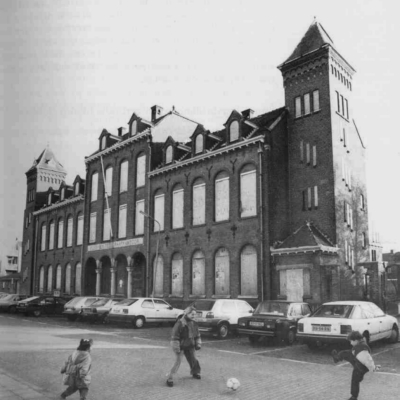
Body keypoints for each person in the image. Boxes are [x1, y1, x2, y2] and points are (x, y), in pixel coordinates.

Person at [331, 331, 380, 400]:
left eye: (351, 341)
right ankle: (337, 358)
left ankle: (354, 397)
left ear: (356, 340)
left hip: (360, 368)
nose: (350, 343)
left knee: (355, 381)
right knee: (345, 353)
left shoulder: (362, 351)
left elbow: (368, 360)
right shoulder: (359, 346)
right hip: (357, 361)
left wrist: (373, 368)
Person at [166, 305, 202, 387]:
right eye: (192, 314)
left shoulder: (194, 323)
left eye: (194, 314)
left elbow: (197, 335)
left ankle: (195, 372)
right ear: (187, 313)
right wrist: (176, 348)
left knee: (194, 360)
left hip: (190, 346)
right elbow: (175, 337)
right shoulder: (180, 323)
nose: (193, 316)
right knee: (177, 362)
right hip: (181, 346)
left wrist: (198, 343)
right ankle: (170, 378)